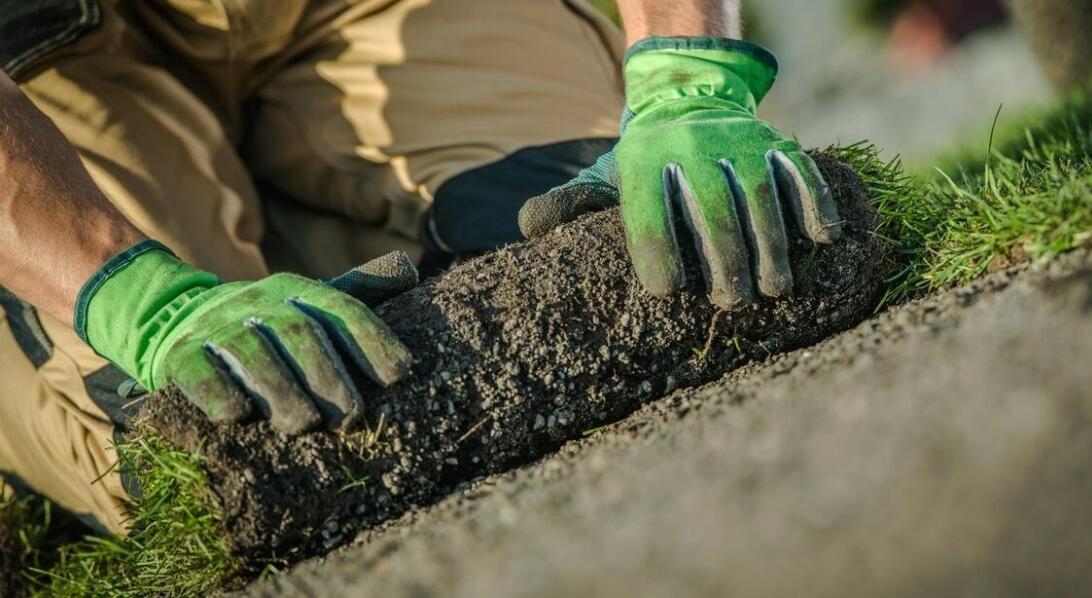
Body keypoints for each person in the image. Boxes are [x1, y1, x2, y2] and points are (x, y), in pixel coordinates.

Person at [0, 0, 840, 535]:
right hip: (43, 55)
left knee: (612, 243)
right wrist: (137, 299)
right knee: (204, 434)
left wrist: (687, 75)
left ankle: (276, 210)